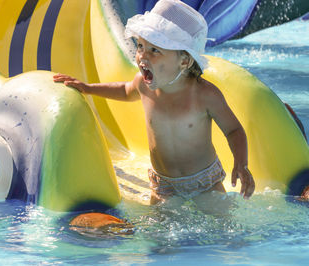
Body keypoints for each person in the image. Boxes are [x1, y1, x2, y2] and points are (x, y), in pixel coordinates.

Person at [54, 0, 255, 205]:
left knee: (223, 230)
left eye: (154, 50)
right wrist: (88, 88)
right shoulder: (143, 84)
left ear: (184, 61)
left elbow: (233, 130)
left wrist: (241, 163)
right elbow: (124, 90)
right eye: (140, 46)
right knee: (157, 233)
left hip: (204, 182)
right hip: (164, 185)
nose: (142, 56)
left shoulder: (204, 95)